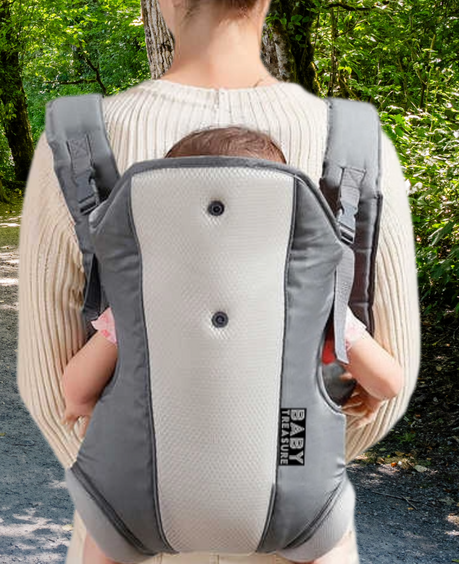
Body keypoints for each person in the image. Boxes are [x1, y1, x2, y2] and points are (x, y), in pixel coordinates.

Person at [17, 0, 420, 564]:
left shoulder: (77, 143)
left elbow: (53, 390)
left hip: (126, 531)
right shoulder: (356, 145)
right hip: (304, 535)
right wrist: (275, 469)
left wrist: (163, 485)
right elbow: (387, 387)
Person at [60, 125, 406, 564]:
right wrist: (367, 394)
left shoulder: (140, 297)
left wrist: (87, 408)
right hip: (289, 490)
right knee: (330, 545)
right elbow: (390, 382)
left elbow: (75, 389)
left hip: (140, 495)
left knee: (104, 541)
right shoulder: (314, 298)